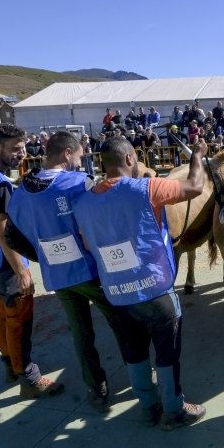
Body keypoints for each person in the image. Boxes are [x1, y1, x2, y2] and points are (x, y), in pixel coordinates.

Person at [72, 135, 209, 429]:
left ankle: (148, 407)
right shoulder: (147, 188)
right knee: (167, 350)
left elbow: (87, 244)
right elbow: (195, 186)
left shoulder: (82, 204)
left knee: (133, 351)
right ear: (130, 160)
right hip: (155, 289)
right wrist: (197, 155)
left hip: (116, 294)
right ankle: (174, 409)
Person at [5, 131, 115, 409]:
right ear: (67, 153)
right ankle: (142, 378)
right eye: (79, 156)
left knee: (81, 335)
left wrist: (43, 257)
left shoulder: (20, 192)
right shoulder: (79, 183)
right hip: (91, 272)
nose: (80, 162)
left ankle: (96, 390)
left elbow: (12, 237)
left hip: (59, 277)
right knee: (124, 323)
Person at [0, 124, 61, 398]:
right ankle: (28, 378)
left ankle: (9, 364)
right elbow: (4, 234)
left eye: (23, 146)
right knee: (19, 317)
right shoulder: (0, 185)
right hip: (6, 262)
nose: (22, 153)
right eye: (15, 148)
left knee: (3, 313)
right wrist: (22, 270)